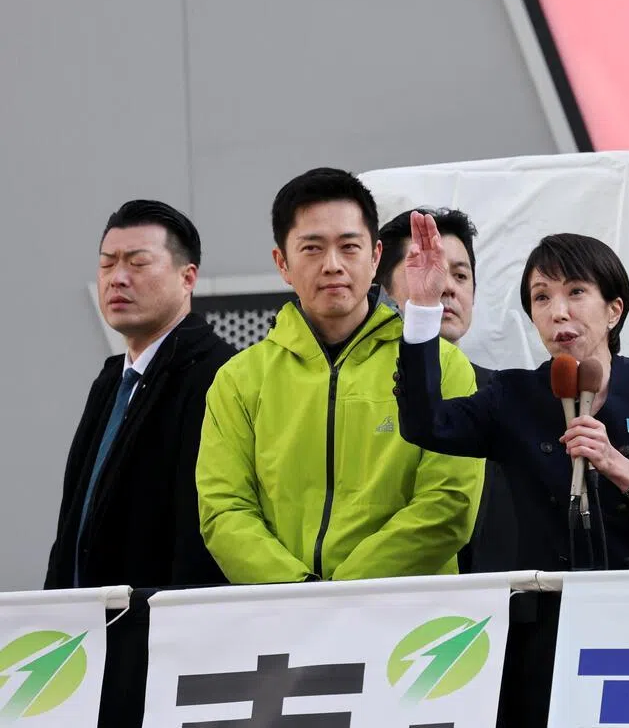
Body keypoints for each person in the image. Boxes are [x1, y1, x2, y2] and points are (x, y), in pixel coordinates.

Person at [196, 169, 483, 583]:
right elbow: (224, 509)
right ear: (282, 263)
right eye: (312, 248)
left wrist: (341, 594)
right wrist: (299, 591)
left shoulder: (444, 367)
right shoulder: (238, 380)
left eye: (349, 247)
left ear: (375, 257)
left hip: (408, 615)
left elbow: (449, 504)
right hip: (284, 613)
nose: (332, 265)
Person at [395, 212, 629, 570]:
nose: (558, 312)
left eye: (576, 292)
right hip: (553, 600)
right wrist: (424, 307)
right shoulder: (512, 395)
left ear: (614, 311)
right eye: (541, 297)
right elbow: (426, 424)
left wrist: (617, 465)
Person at [45, 201, 235, 589]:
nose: (117, 278)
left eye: (138, 263)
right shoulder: (110, 381)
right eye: (107, 264)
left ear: (188, 277)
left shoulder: (218, 376)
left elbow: (202, 534)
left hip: (157, 620)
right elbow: (73, 525)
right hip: (84, 621)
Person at [377, 208, 517, 572]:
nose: (446, 286)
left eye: (460, 275)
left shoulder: (506, 396)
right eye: (426, 267)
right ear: (383, 290)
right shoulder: (358, 393)